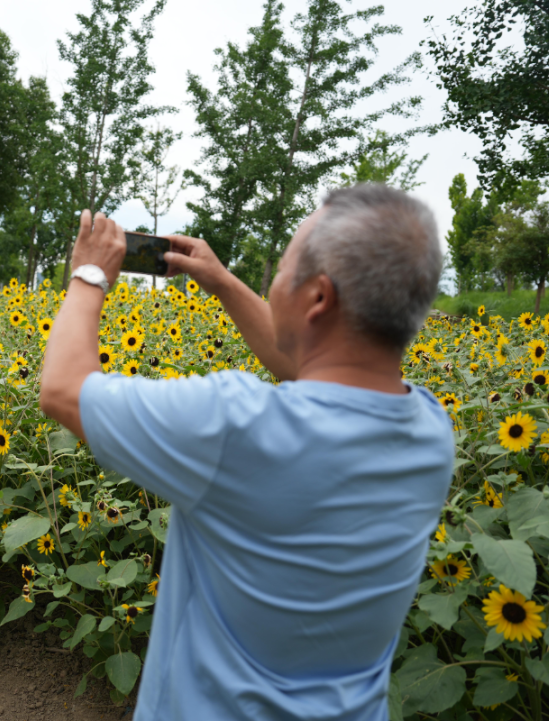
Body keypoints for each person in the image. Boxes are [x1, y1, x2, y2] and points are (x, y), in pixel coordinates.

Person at [39, 184, 454, 721]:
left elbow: (64, 389)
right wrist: (221, 280)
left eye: (282, 268)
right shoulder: (429, 429)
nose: (274, 282)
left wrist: (90, 273)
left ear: (318, 298)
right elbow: (312, 370)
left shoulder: (235, 424)